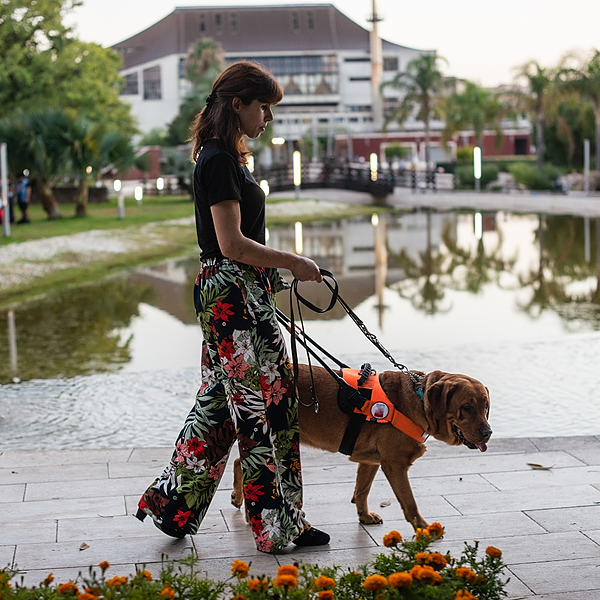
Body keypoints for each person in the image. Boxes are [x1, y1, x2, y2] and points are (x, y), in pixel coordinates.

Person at [136, 61, 330, 553]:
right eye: (263, 107)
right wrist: (295, 262)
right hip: (233, 290)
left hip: (234, 291)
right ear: (237, 103)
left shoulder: (225, 158)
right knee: (265, 405)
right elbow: (232, 244)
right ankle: (278, 526)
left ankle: (172, 505)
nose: (267, 117)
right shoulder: (218, 161)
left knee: (222, 404)